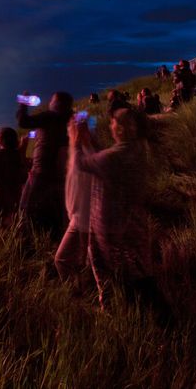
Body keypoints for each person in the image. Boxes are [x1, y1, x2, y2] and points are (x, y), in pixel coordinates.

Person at [72, 107, 156, 309]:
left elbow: (81, 164)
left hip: (110, 225)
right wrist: (90, 138)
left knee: (122, 275)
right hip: (133, 221)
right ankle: (123, 306)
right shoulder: (138, 148)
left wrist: (76, 140)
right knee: (136, 268)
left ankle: (140, 314)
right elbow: (104, 156)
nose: (110, 126)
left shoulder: (112, 159)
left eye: (113, 123)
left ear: (120, 129)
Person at [17, 91, 74, 241]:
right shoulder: (71, 120)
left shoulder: (49, 116)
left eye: (52, 100)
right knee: (55, 210)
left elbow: (23, 122)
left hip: (41, 171)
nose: (49, 103)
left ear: (57, 103)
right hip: (62, 174)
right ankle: (54, 240)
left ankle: (27, 242)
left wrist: (23, 102)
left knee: (26, 206)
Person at [55, 112, 94, 284]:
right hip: (80, 218)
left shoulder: (81, 156)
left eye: (71, 128)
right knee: (84, 259)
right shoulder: (84, 152)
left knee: (61, 259)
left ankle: (76, 294)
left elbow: (83, 192)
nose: (68, 131)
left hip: (81, 220)